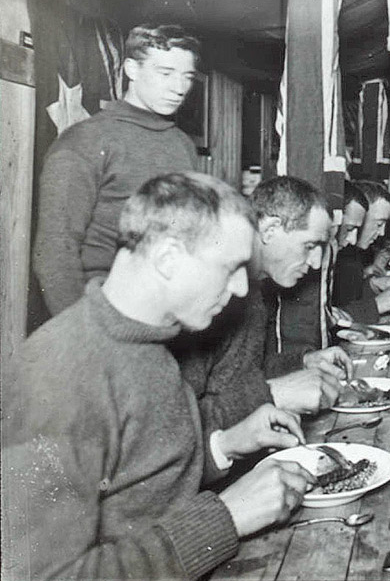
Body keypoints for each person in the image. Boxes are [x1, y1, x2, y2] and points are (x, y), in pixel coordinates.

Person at [4, 172, 315, 580]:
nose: (241, 289)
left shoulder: (152, 343)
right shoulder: (58, 376)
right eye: (232, 268)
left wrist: (224, 445)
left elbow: (137, 487)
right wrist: (225, 517)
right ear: (168, 259)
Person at [33, 24, 201, 317]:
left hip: (164, 314)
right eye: (165, 73)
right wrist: (85, 333)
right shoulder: (85, 141)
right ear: (131, 69)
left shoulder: (182, 145)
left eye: (186, 76)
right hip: (101, 314)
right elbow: (54, 254)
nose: (179, 88)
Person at [175, 176, 352, 430]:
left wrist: (303, 362)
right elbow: (174, 427)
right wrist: (273, 393)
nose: (315, 262)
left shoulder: (255, 290)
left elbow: (244, 373)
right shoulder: (210, 294)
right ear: (270, 230)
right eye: (310, 245)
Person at [333, 181, 390, 323]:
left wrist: (372, 285)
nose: (382, 233)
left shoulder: (352, 255)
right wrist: (376, 305)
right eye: (379, 224)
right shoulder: (337, 254)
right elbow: (329, 318)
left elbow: (347, 299)